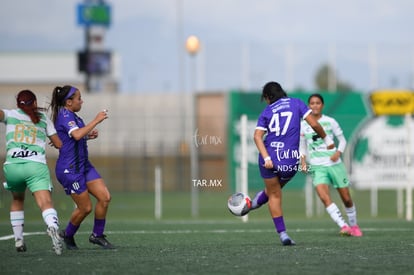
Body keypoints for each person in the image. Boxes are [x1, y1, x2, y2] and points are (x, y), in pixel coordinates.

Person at [247, 82, 335, 246]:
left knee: (273, 193)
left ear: (268, 97)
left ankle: (283, 234)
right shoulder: (296, 103)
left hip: (270, 157)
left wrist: (266, 158)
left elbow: (257, 136)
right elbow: (314, 124)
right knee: (275, 190)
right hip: (290, 159)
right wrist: (327, 139)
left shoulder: (267, 111)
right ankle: (252, 204)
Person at [49, 85, 115, 249]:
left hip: (84, 165)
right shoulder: (65, 116)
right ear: (69, 102)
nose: (82, 101)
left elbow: (76, 137)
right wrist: (96, 120)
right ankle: (67, 234)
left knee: (105, 197)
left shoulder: (74, 117)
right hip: (70, 169)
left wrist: (88, 136)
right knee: (85, 208)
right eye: (79, 98)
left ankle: (97, 235)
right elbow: (77, 134)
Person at [0, 89, 63, 255]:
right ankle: (53, 227)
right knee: (45, 203)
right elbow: (58, 144)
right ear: (34, 103)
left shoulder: (10, 114)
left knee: (17, 199)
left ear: (18, 104)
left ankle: (18, 239)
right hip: (35, 166)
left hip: (13, 165)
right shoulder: (43, 119)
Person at [299, 93, 362, 237]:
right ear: (309, 106)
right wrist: (303, 162)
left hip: (334, 164)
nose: (315, 105)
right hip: (317, 166)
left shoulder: (330, 121)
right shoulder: (303, 125)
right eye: (312, 103)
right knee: (323, 196)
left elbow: (343, 140)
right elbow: (302, 146)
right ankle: (344, 226)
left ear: (322, 105)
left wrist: (338, 152)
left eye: (318, 103)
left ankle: (354, 225)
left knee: (346, 198)